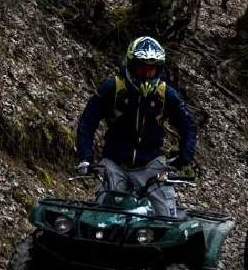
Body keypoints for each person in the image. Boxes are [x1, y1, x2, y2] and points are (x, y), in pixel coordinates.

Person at [75, 36, 197, 218]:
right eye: (142, 68)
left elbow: (188, 125)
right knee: (102, 214)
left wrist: (183, 158)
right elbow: (87, 122)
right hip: (114, 162)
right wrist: (85, 157)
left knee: (167, 218)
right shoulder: (112, 88)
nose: (147, 74)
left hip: (151, 164)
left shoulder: (166, 94)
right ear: (132, 66)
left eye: (151, 68)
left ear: (159, 69)